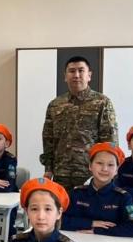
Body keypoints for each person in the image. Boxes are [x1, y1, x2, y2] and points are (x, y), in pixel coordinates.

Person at [40, 56, 118, 192]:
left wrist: (107, 171)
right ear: (65, 76)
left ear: (89, 75)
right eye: (72, 71)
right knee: (62, 206)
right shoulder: (55, 104)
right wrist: (48, 169)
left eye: (81, 70)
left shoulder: (102, 102)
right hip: (61, 174)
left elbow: (109, 141)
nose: (76, 75)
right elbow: (48, 140)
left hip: (91, 175)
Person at [62, 143, 133, 238]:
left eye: (110, 165)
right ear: (90, 166)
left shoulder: (123, 197)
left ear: (117, 170)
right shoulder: (76, 193)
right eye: (99, 163)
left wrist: (97, 231)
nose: (104, 169)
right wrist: (91, 223)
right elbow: (58, 221)